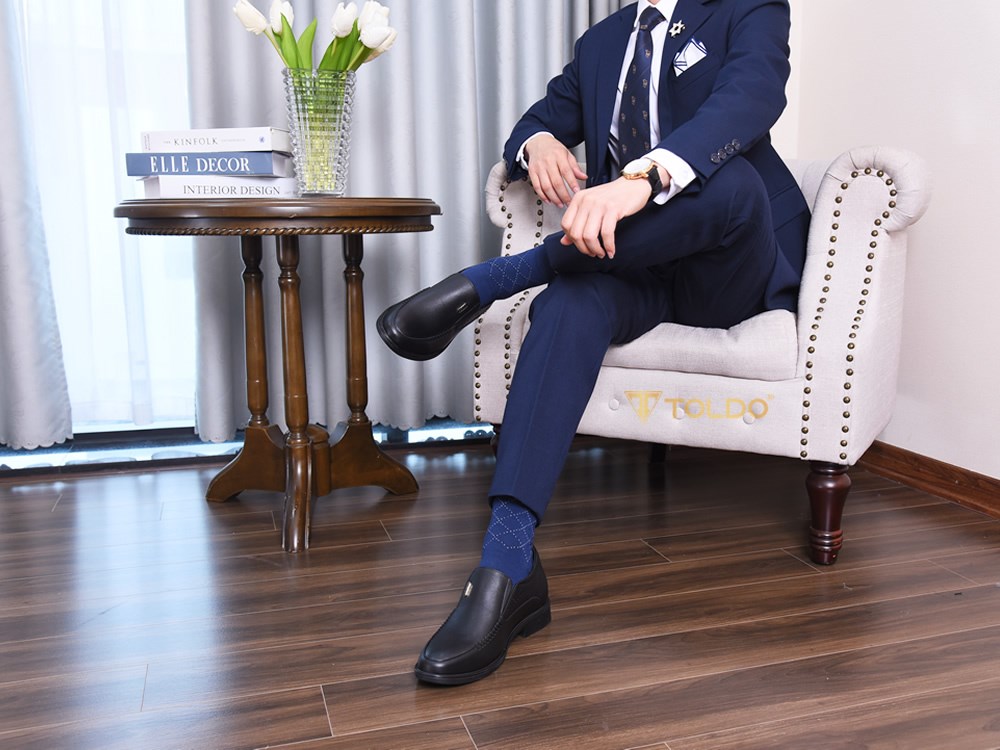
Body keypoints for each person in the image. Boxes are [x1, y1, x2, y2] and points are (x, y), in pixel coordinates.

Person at [377, 0, 810, 686]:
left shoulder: (744, 7)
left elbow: (751, 97)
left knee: (731, 178)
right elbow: (535, 123)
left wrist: (641, 179)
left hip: (726, 267)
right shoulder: (604, 41)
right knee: (569, 305)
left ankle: (498, 278)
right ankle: (507, 566)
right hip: (634, 266)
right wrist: (540, 143)